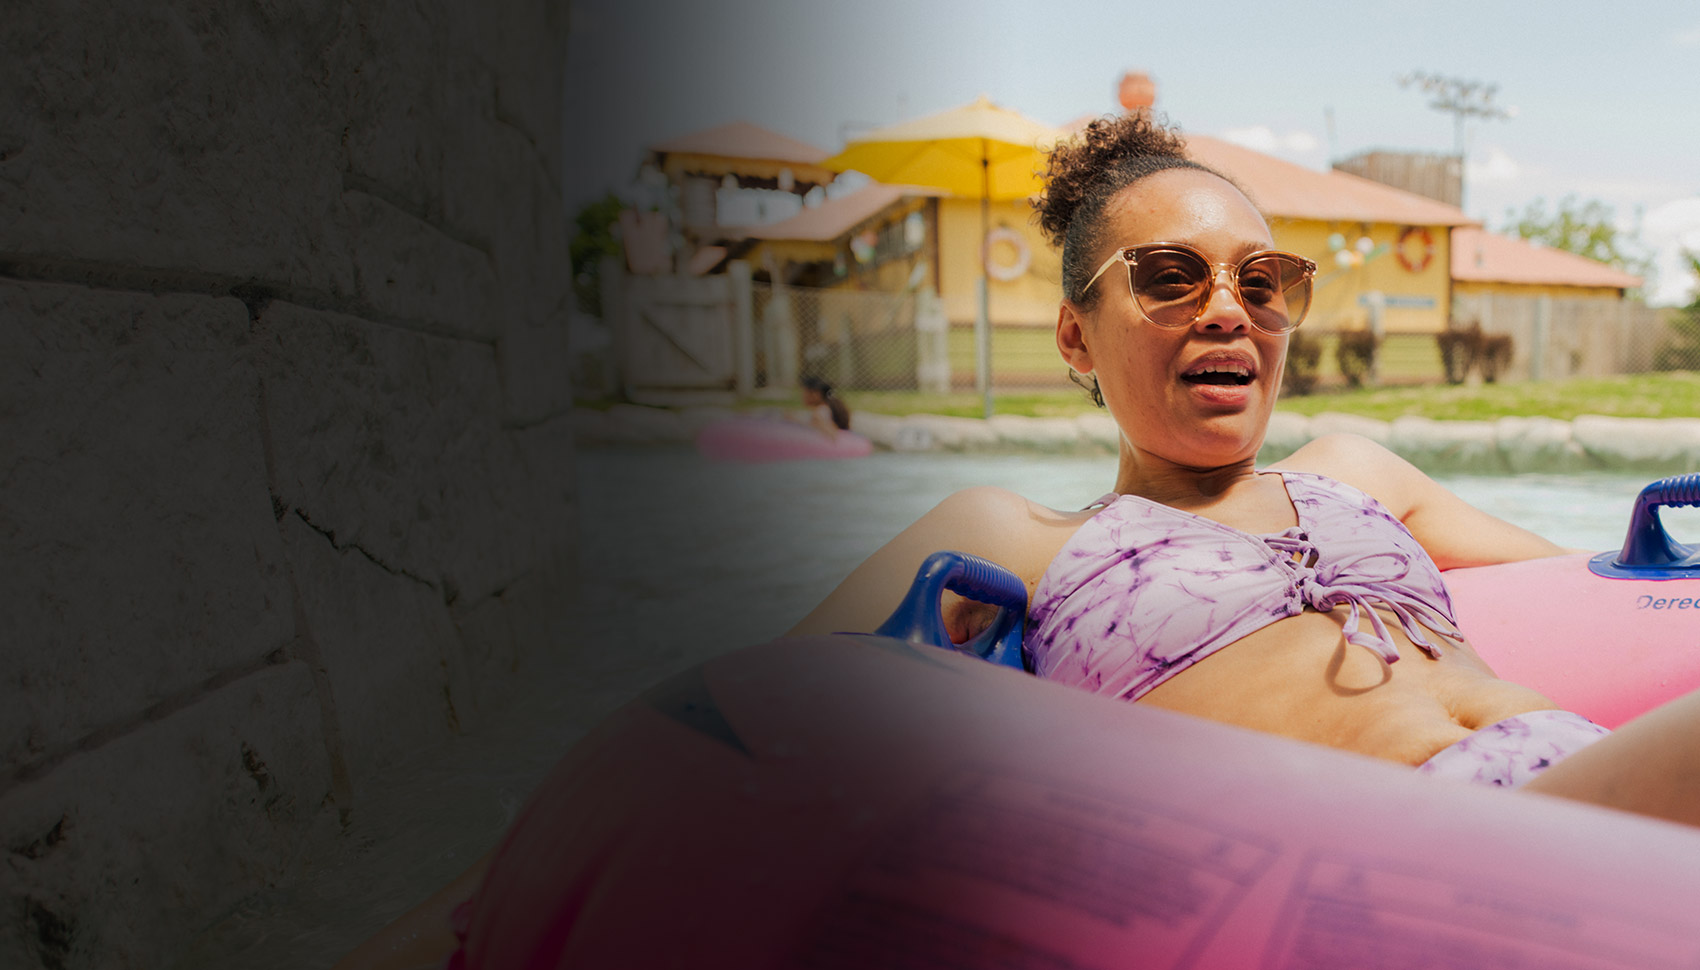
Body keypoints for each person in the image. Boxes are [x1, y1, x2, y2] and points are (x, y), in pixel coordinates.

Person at [792, 112, 1700, 826]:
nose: (1230, 311)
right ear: (1076, 337)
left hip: (1578, 771)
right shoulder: (1010, 536)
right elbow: (756, 705)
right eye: (1169, 275)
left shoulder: (1358, 472)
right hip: (1417, 847)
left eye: (1261, 282)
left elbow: (1616, 590)